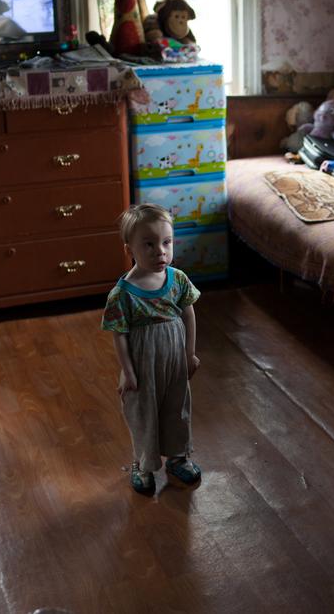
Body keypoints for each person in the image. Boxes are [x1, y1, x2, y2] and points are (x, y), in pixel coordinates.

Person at [101, 204, 203, 496]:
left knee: (177, 407)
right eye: (149, 244)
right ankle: (142, 463)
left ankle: (178, 456)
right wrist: (128, 371)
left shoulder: (178, 279)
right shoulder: (122, 294)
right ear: (129, 249)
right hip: (143, 365)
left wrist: (189, 354)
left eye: (166, 242)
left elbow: (188, 315)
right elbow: (119, 335)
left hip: (174, 359)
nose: (160, 251)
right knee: (144, 413)